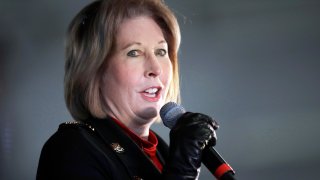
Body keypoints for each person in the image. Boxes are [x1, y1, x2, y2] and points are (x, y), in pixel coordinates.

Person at [36, 0, 218, 179]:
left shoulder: (161, 152)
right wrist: (182, 172)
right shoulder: (71, 148)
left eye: (161, 52)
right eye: (134, 53)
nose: (156, 69)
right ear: (94, 71)